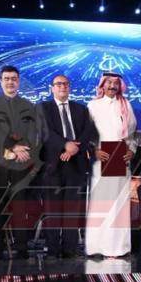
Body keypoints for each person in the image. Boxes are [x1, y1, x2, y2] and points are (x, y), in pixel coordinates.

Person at [0, 66, 42, 259]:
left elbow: (32, 133)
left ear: (18, 81)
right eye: (7, 78)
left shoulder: (28, 105)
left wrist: (23, 150)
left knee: (20, 206)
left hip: (21, 162)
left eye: (14, 78)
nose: (10, 82)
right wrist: (12, 147)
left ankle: (22, 248)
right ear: (0, 81)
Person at [38, 74, 95, 258]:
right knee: (52, 210)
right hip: (52, 165)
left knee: (73, 209)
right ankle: (53, 250)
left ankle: (70, 249)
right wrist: (65, 144)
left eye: (66, 84)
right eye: (58, 84)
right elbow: (45, 132)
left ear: (69, 87)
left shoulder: (81, 109)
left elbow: (88, 132)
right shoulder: (42, 108)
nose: (62, 86)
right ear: (52, 88)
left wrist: (73, 149)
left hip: (76, 165)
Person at [85, 72, 137, 257]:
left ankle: (117, 248)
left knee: (119, 204)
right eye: (108, 82)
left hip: (120, 157)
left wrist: (132, 150)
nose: (112, 86)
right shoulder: (93, 105)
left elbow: (132, 134)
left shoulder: (126, 105)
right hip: (102, 158)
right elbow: (86, 133)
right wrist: (94, 151)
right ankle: (97, 247)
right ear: (102, 85)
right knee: (100, 204)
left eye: (116, 83)